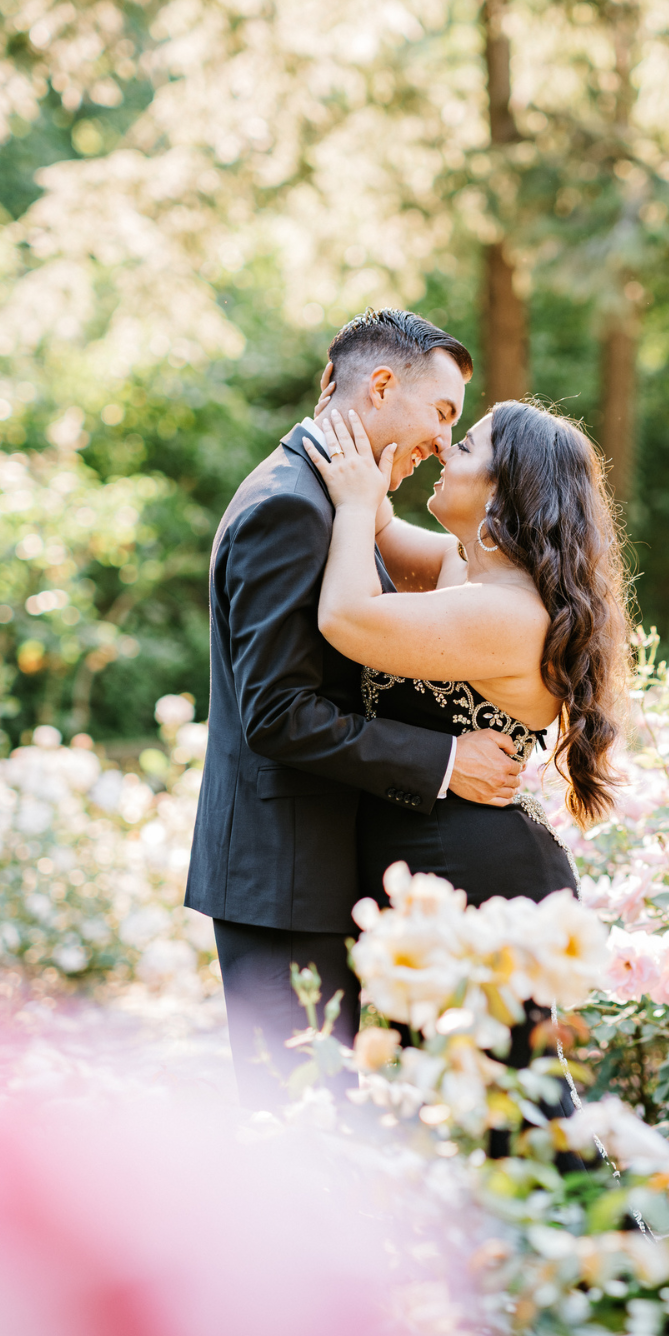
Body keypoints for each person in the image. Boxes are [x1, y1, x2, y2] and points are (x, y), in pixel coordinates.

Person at [185, 310, 525, 1109]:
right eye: (443, 414)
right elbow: (278, 713)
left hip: (315, 875)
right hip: (283, 881)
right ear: (380, 387)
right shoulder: (292, 506)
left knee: (332, 1136)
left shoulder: (332, 497)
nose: (445, 443)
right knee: (299, 1134)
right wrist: (446, 760)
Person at [302, 392, 629, 1071]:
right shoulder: (472, 570)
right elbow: (382, 535)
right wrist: (358, 421)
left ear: (504, 494)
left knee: (486, 1106)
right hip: (440, 869)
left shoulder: (507, 613)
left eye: (469, 445)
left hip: (471, 875)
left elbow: (346, 617)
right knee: (447, 1102)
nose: (448, 451)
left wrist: (359, 502)